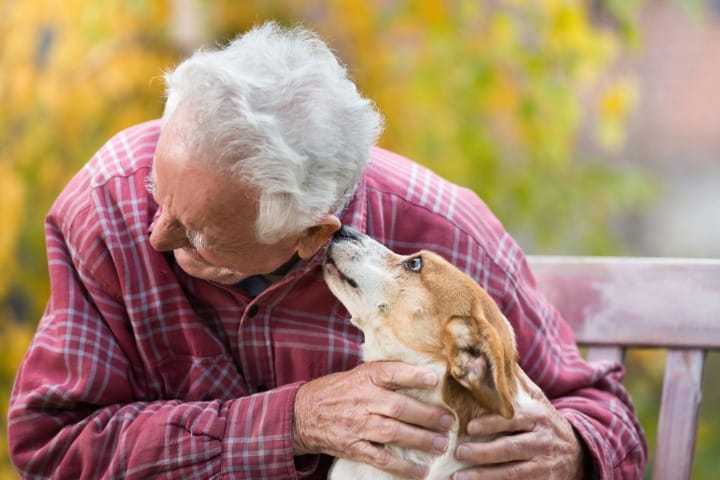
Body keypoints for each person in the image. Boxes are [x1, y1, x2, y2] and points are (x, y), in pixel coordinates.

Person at [8, 22, 647, 479]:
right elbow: (51, 445)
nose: (157, 235)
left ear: (315, 234)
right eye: (159, 190)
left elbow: (604, 415)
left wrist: (573, 452)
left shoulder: (444, 239)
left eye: (202, 233)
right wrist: (292, 421)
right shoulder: (108, 206)